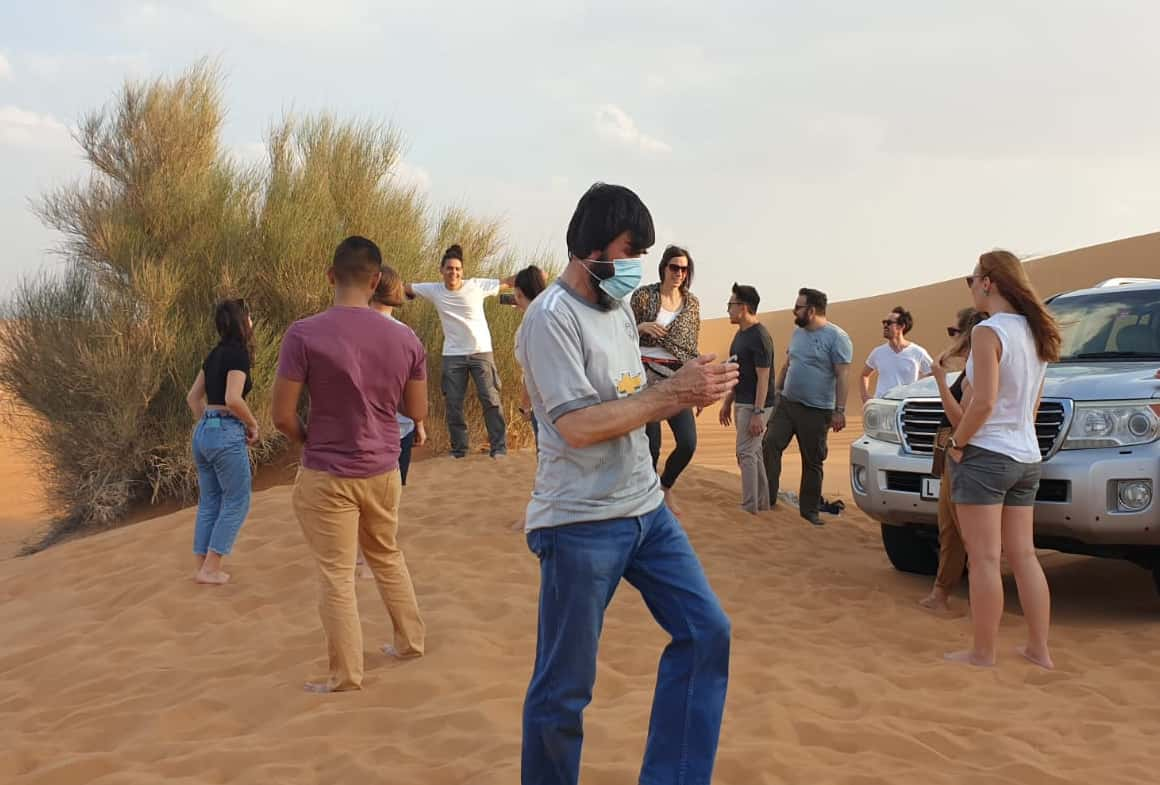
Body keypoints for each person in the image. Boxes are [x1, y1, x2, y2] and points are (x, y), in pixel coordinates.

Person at [517, 183, 737, 785]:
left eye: (646, 249)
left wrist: (688, 380)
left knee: (706, 632)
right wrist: (673, 395)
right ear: (592, 246)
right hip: (580, 524)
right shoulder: (550, 320)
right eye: (631, 247)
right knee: (565, 690)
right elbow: (580, 425)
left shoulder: (619, 312)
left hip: (647, 513)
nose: (639, 261)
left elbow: (632, 397)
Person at [272, 236, 428, 693]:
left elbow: (282, 416)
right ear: (377, 280)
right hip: (383, 468)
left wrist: (310, 439)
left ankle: (345, 674)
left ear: (330, 275)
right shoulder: (406, 338)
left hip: (328, 472)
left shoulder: (304, 333)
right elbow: (417, 411)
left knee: (337, 575)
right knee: (386, 554)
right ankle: (410, 641)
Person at [945, 250, 1061, 670]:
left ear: (989, 282)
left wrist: (957, 442)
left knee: (985, 559)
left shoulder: (988, 332)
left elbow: (984, 402)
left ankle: (982, 653)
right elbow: (1033, 405)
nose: (971, 286)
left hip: (988, 456)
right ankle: (1039, 649)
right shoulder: (1036, 333)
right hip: (1026, 456)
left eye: (972, 279)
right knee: (1024, 555)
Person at [405, 244, 515, 459]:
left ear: (462, 271)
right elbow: (405, 287)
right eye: (449, 268)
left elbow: (507, 282)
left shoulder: (476, 286)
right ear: (441, 270)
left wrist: (532, 276)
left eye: (457, 269)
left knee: (490, 399)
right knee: (453, 403)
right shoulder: (434, 290)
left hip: (481, 352)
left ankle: (499, 448)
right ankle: (459, 450)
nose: (453, 272)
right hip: (453, 355)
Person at [762, 287, 853, 526]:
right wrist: (777, 392)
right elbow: (788, 362)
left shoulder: (837, 338)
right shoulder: (797, 332)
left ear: (811, 311)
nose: (794, 311)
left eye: (798, 307)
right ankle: (767, 500)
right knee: (770, 443)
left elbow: (843, 375)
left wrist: (839, 411)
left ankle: (809, 512)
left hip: (817, 410)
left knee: (812, 460)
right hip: (787, 404)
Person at [185, 298, 260, 585]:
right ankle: (211, 568)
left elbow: (193, 398)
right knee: (237, 500)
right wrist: (251, 424)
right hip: (226, 431)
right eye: (250, 317)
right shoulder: (238, 355)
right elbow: (233, 398)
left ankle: (202, 565)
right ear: (243, 322)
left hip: (204, 431)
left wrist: (209, 423)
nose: (252, 322)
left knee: (210, 501)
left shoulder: (214, 354)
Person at [919, 307, 987, 612]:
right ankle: (941, 593)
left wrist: (940, 382)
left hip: (966, 454)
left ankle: (982, 602)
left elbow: (959, 417)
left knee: (970, 535)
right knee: (949, 529)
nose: (950, 339)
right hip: (951, 453)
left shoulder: (978, 371)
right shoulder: (971, 367)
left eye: (953, 332)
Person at [630, 245, 702, 516]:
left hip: (678, 376)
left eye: (684, 269)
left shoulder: (692, 303)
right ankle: (648, 502)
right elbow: (620, 332)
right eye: (674, 267)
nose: (679, 273)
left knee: (688, 442)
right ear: (664, 267)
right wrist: (640, 327)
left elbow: (691, 346)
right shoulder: (643, 296)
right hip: (644, 373)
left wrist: (696, 385)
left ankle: (665, 486)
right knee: (651, 444)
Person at [719, 283, 777, 514]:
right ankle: (761, 504)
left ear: (743, 307)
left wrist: (758, 413)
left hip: (756, 405)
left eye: (730, 305)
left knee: (745, 452)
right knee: (753, 452)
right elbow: (736, 370)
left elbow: (764, 378)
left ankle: (749, 507)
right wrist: (727, 401)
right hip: (742, 401)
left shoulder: (760, 337)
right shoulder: (740, 335)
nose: (728, 310)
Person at [370, 266, 428, 483]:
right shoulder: (407, 337)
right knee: (389, 504)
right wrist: (419, 425)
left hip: (355, 433)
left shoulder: (344, 329)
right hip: (397, 429)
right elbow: (413, 397)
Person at [860, 305, 933, 403]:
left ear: (901, 326)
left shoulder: (917, 352)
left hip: (906, 408)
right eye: (884, 322)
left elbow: (933, 375)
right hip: (882, 407)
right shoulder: (878, 352)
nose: (885, 325)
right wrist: (865, 397)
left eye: (889, 323)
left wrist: (921, 394)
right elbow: (864, 375)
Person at [512, 264, 549, 446]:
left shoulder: (527, 327)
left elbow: (530, 372)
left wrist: (525, 406)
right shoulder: (554, 315)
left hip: (544, 405)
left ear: (519, 293)